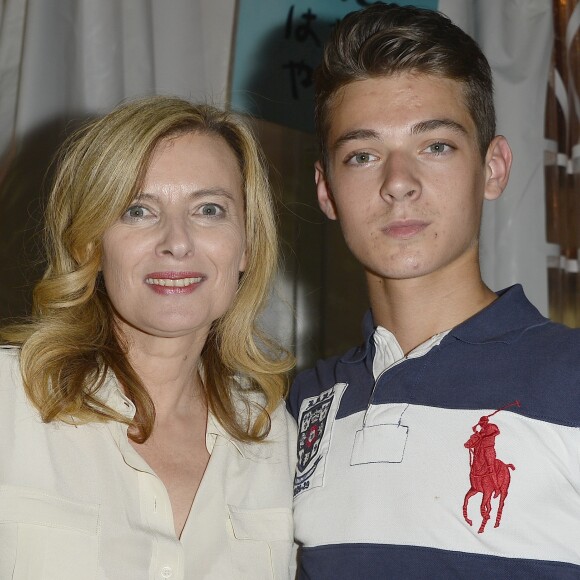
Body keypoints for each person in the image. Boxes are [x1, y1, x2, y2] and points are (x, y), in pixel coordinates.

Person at [287, 3, 580, 578]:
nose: (398, 182)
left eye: (436, 146)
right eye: (363, 155)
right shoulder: (299, 408)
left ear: (492, 169)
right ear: (326, 191)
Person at [0, 96, 297, 579]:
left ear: (246, 243)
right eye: (138, 211)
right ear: (91, 242)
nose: (176, 241)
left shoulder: (273, 435)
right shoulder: (10, 400)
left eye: (208, 209)